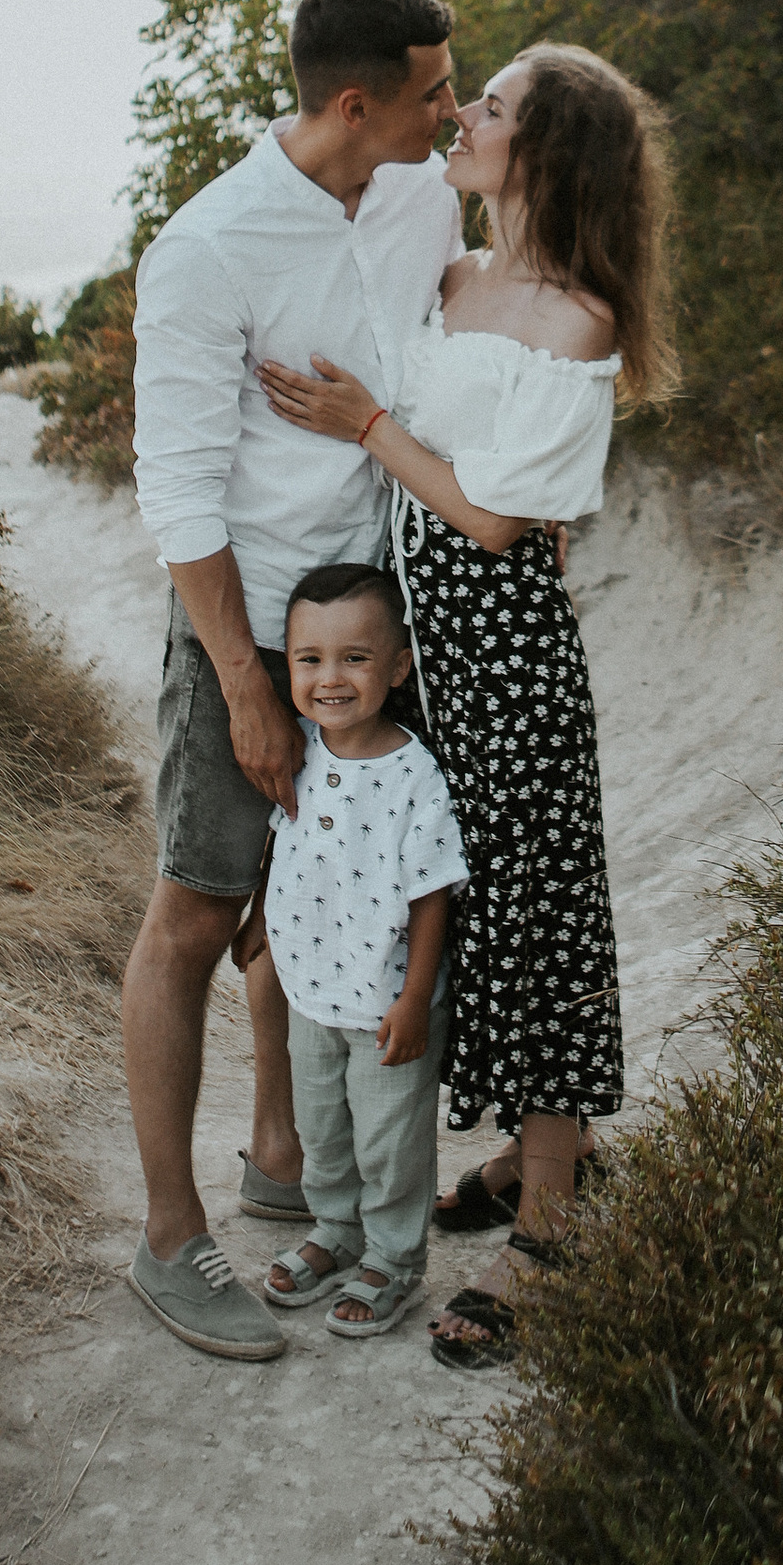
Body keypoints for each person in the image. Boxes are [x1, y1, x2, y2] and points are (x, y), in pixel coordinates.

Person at [257, 42, 674, 1369]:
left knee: (540, 917)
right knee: (469, 908)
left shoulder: (578, 319)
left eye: (490, 108)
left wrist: (370, 424)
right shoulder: (454, 276)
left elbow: (498, 519)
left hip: (510, 664)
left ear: (542, 154)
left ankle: (542, 1241)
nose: (467, 118)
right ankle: (545, 1153)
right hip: (426, 661)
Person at [123, 0, 460, 1362]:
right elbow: (181, 498)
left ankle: (285, 1155)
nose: (453, 110)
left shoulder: (421, 192)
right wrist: (248, 688)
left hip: (376, 619)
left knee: (335, 895)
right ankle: (167, 1238)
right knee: (199, 916)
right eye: (435, 89)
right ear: (355, 102)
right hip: (245, 626)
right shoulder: (207, 249)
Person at [250, 562, 470, 1338]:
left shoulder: (415, 774)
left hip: (386, 1001)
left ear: (399, 665)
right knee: (325, 1129)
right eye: (310, 660)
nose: (331, 678)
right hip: (312, 990)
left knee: (390, 1141)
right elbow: (285, 852)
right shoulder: (301, 750)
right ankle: (335, 1230)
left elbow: (432, 890)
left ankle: (393, 1259)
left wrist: (416, 997)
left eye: (356, 658)